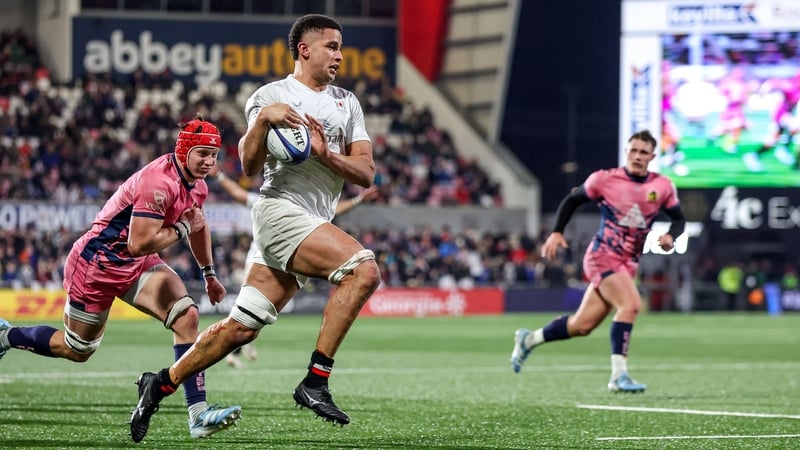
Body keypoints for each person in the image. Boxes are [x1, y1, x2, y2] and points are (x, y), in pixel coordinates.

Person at [130, 14, 381, 441]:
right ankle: (316, 380)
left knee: (241, 328)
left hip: (312, 219)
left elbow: (365, 172)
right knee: (364, 270)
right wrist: (263, 121)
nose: (339, 55)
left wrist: (325, 154)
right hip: (280, 211)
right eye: (331, 46)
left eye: (340, 47)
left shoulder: (347, 102)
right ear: (304, 49)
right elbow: (247, 167)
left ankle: (160, 383)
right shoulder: (271, 96)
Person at [0, 115, 242, 441]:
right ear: (184, 151)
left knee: (187, 316)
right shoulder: (158, 182)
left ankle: (198, 415)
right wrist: (182, 228)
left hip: (135, 264)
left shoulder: (196, 185)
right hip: (96, 266)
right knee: (77, 349)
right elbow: (140, 242)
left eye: (213, 155)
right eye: (202, 154)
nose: (209, 162)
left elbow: (198, 226)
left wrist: (209, 274)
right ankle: (7, 335)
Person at [509, 129, 686, 393]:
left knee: (582, 326)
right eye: (633, 150)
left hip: (628, 262)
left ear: (652, 156)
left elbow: (679, 219)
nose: (637, 156)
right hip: (602, 255)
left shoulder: (662, 186)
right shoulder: (604, 180)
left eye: (643, 152)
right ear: (626, 151)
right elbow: (572, 201)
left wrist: (672, 236)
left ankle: (529, 340)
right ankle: (619, 376)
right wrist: (557, 232)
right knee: (631, 304)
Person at [209, 166, 378, 369]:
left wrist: (358, 200)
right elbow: (238, 193)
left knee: (256, 314)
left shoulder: (306, 205)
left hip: (287, 258)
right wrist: (218, 174)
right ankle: (236, 348)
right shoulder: (270, 199)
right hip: (261, 260)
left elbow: (333, 211)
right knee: (250, 315)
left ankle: (241, 345)